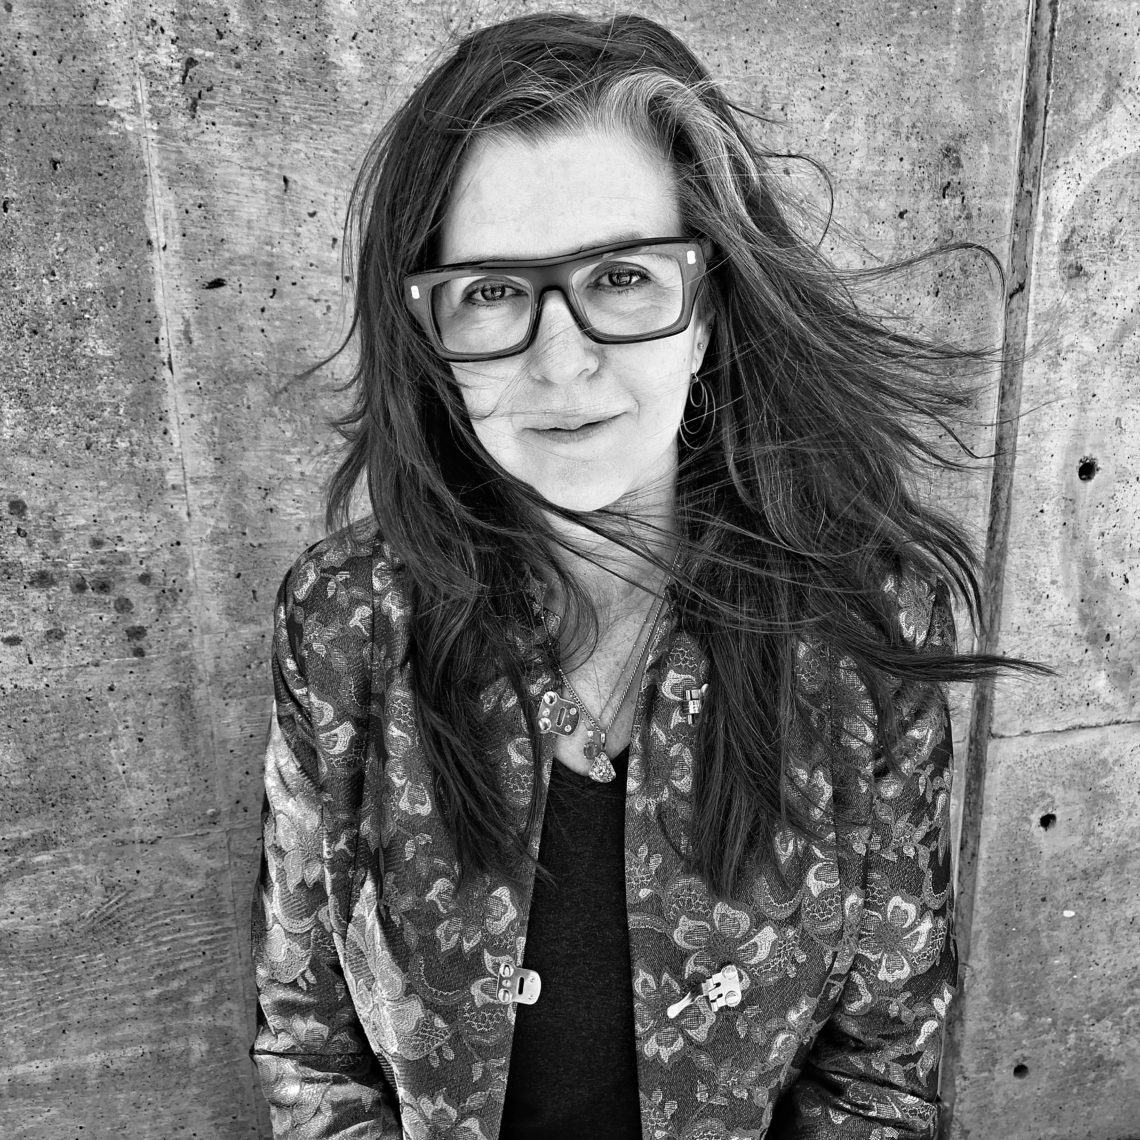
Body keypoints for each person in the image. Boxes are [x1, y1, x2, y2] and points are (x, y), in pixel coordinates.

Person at [249, 12, 1033, 1138]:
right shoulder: (342, 626)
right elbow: (309, 1048)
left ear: (705, 312)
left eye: (620, 275)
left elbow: (881, 1081)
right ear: (430, 334)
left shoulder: (863, 633)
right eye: (490, 291)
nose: (562, 361)